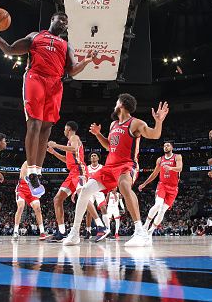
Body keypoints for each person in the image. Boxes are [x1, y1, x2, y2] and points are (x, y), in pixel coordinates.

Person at [0, 11, 96, 192]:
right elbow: (10, 49)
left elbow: (73, 70)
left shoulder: (66, 45)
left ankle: (37, 172)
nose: (63, 23)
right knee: (35, 124)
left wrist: (86, 61)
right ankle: (30, 171)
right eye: (61, 19)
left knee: (47, 128)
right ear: (52, 19)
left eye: (66, 22)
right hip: (35, 78)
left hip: (55, 83)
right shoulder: (35, 36)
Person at [63, 94, 169, 247]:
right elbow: (109, 145)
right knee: (85, 190)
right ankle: (74, 233)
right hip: (110, 167)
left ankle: (140, 232)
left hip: (127, 165)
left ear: (122, 104)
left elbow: (155, 134)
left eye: (116, 102)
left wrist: (158, 122)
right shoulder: (113, 125)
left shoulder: (135, 123)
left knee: (124, 186)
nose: (114, 105)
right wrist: (99, 134)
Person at [47, 122, 109, 242]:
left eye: (65, 128)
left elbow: (74, 148)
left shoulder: (74, 138)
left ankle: (101, 226)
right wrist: (54, 153)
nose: (63, 130)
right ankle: (62, 232)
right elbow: (67, 160)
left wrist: (55, 145)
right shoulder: (69, 142)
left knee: (82, 195)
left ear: (68, 128)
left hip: (79, 170)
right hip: (72, 173)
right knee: (57, 199)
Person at [139, 142, 183, 239]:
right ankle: (146, 225)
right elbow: (154, 174)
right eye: (164, 145)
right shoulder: (160, 159)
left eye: (167, 145)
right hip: (162, 185)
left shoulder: (177, 157)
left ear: (172, 147)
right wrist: (144, 183)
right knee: (158, 205)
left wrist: (170, 168)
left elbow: (180, 168)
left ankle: (151, 231)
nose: (165, 147)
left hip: (173, 188)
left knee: (162, 211)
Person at [13, 161, 48, 240]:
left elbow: (37, 180)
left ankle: (42, 232)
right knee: (21, 207)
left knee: (38, 209)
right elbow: (24, 177)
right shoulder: (26, 163)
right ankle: (15, 231)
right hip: (22, 188)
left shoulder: (38, 165)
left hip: (32, 190)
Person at [84, 153, 109, 239]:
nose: (93, 157)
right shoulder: (87, 168)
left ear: (98, 158)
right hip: (90, 190)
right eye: (91, 156)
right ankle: (88, 231)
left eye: (95, 155)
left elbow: (106, 179)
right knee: (89, 211)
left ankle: (107, 229)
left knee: (103, 208)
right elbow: (85, 179)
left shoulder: (102, 167)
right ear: (90, 159)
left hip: (98, 189)